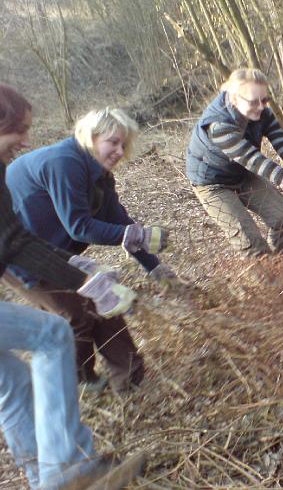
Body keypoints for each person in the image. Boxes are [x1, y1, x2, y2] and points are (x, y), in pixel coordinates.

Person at [0, 83, 145, 489]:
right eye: (19, 130)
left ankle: (45, 479)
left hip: (35, 254)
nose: (27, 140)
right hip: (28, 264)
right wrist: (87, 280)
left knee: (13, 385)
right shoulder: (66, 163)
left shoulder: (97, 175)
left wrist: (146, 264)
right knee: (55, 332)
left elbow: (12, 239)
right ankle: (71, 471)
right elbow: (56, 232)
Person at [2, 107, 173, 392]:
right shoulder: (64, 162)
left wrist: (153, 265)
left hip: (56, 250)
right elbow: (79, 226)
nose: (119, 150)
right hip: (19, 253)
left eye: (123, 144)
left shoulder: (100, 175)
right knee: (76, 314)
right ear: (91, 137)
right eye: (112, 141)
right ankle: (81, 382)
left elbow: (118, 220)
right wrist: (138, 235)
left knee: (104, 299)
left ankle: (129, 379)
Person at [186, 68, 283, 257]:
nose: (261, 106)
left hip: (241, 174)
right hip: (212, 183)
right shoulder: (218, 124)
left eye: (265, 100)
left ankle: (279, 273)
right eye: (253, 101)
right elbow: (251, 158)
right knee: (250, 242)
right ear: (234, 98)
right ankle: (271, 282)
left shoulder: (263, 113)